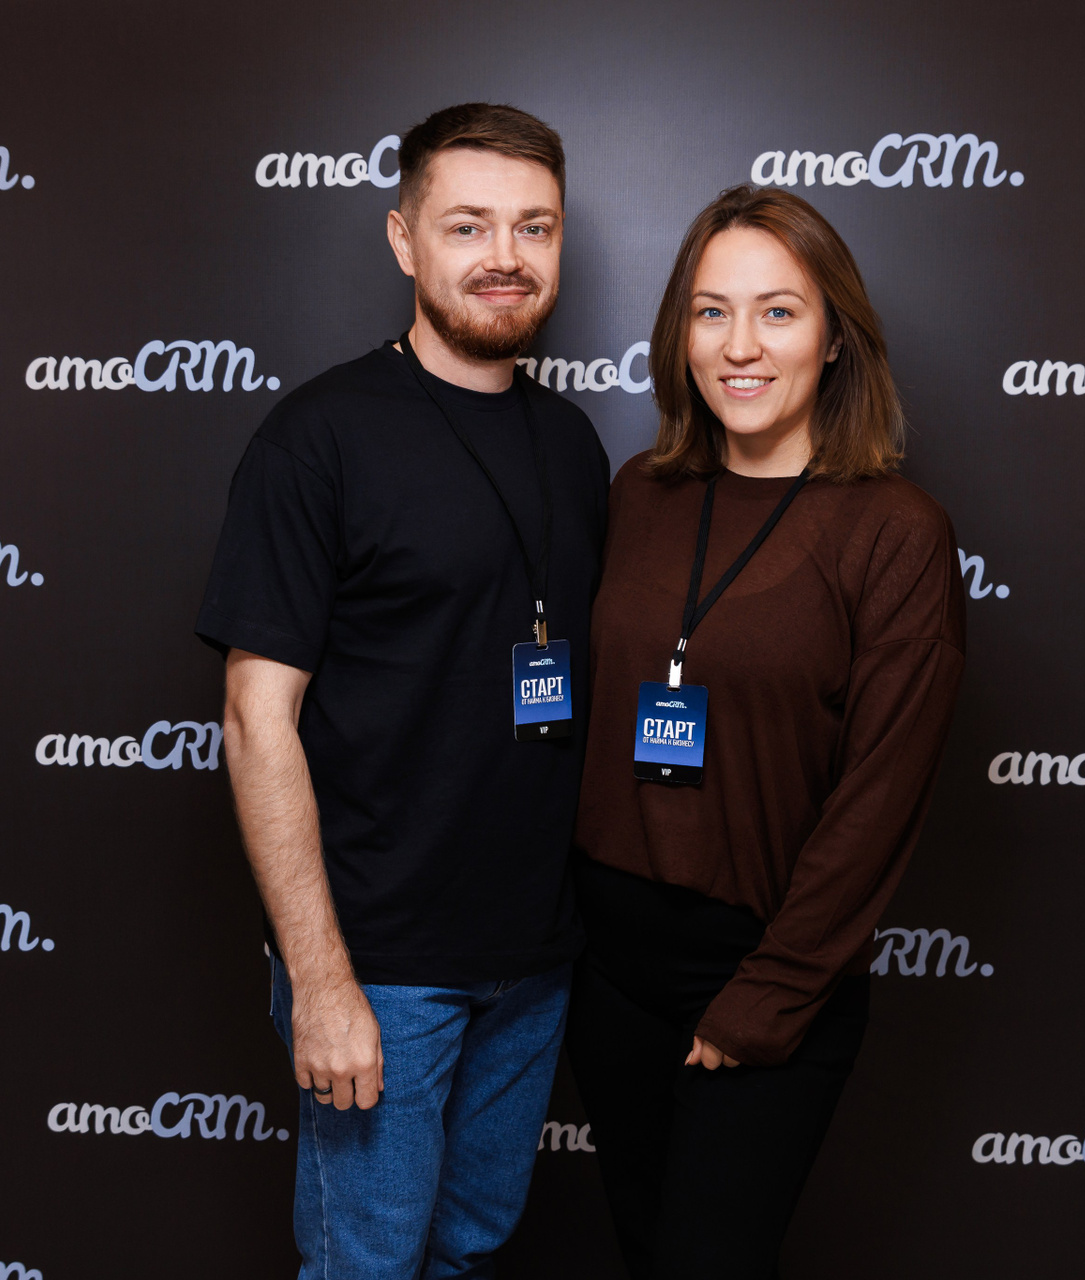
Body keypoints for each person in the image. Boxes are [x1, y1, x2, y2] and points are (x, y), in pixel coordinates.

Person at [195, 103, 609, 1279]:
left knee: (468, 1252)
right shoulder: (316, 438)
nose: (505, 256)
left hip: (533, 958)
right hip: (380, 963)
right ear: (403, 238)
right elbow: (256, 719)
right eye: (467, 225)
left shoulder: (573, 443)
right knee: (365, 1267)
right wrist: (322, 981)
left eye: (535, 227)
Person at [567, 185, 967, 1279]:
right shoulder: (641, 492)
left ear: (835, 338)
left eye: (778, 312)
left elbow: (879, 799)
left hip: (759, 970)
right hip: (607, 970)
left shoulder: (897, 533)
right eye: (712, 311)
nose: (739, 346)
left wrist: (768, 995)